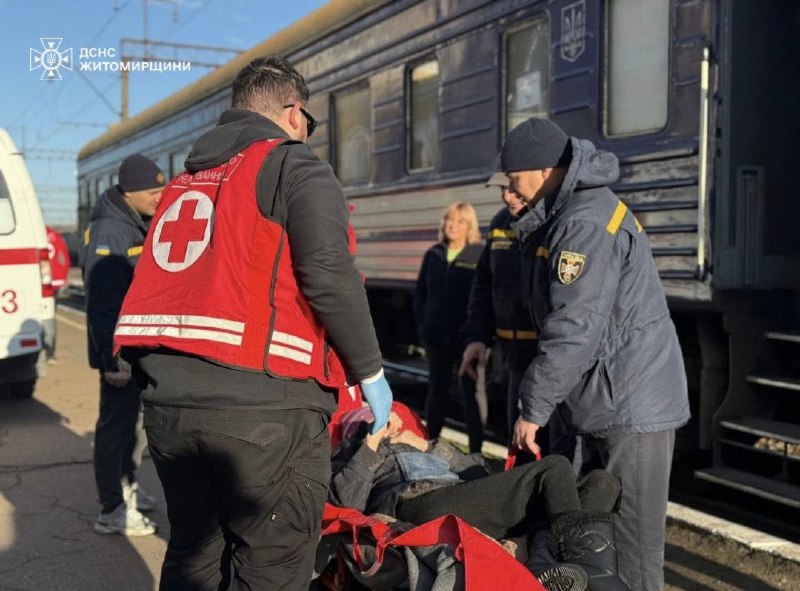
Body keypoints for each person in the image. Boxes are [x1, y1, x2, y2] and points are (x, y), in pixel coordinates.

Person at [113, 56, 393, 591]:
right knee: (272, 570)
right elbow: (329, 275)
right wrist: (371, 372)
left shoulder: (185, 183)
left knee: (193, 561)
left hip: (169, 411)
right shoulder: (295, 168)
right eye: (308, 123)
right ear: (292, 112)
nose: (307, 135)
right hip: (265, 414)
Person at [501, 117, 690, 591]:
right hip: (611, 396)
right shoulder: (573, 212)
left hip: (631, 402)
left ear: (543, 170)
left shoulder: (584, 222)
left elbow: (574, 325)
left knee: (632, 548)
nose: (508, 186)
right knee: (597, 540)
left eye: (513, 176)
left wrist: (534, 407)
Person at [329, 408, 631, 591]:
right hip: (420, 504)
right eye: (372, 422)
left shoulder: (418, 442)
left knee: (601, 483)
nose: (388, 428)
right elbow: (345, 504)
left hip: (463, 496)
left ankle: (552, 570)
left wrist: (427, 444)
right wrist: (369, 444)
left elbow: (479, 471)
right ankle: (583, 578)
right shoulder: (353, 459)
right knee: (555, 469)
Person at [80, 154, 165, 536]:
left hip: (132, 348)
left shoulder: (133, 222)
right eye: (153, 190)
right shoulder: (110, 231)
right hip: (118, 353)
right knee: (115, 428)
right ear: (129, 192)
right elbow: (102, 303)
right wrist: (110, 361)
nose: (160, 195)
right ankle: (110, 509)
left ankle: (127, 487)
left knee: (132, 426)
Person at [413, 202, 484, 453]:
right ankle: (429, 442)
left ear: (469, 226)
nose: (453, 225)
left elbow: (483, 294)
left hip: (465, 338)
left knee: (471, 393)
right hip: (435, 336)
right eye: (449, 220)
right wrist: (424, 324)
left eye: (459, 221)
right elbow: (420, 293)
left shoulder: (478, 254)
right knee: (437, 389)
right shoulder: (434, 254)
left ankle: (476, 451)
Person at [45, 225, 70, 362]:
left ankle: (42, 351)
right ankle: (50, 352)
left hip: (38, 282)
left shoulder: (31, 231)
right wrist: (63, 277)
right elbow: (63, 257)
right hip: (54, 281)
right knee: (50, 316)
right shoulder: (55, 236)